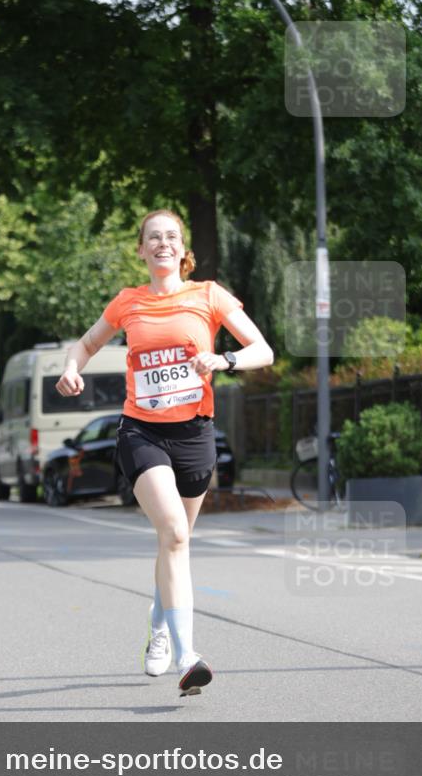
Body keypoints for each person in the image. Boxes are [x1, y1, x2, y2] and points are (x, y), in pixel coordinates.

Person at [55, 209, 274, 696]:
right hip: (142, 432)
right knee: (173, 532)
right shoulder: (128, 302)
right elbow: (84, 346)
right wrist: (72, 369)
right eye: (153, 237)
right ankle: (187, 655)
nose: (163, 243)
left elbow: (263, 349)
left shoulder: (208, 295)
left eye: (171, 236)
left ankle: (158, 625)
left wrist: (224, 359)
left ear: (183, 249)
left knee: (175, 542)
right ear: (141, 249)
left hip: (194, 434)